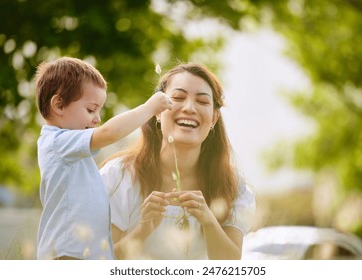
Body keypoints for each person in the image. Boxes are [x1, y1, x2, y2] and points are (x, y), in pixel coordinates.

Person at [99, 62, 256, 260]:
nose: (189, 108)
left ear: (214, 118)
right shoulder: (118, 177)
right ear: (157, 111)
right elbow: (101, 264)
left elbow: (230, 266)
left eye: (202, 101)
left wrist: (209, 222)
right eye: (178, 98)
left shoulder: (232, 185)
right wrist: (144, 228)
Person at [35, 56, 172, 260]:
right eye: (91, 109)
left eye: (99, 110)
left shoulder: (72, 152)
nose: (97, 118)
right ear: (59, 105)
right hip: (67, 253)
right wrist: (149, 108)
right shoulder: (56, 143)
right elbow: (109, 133)